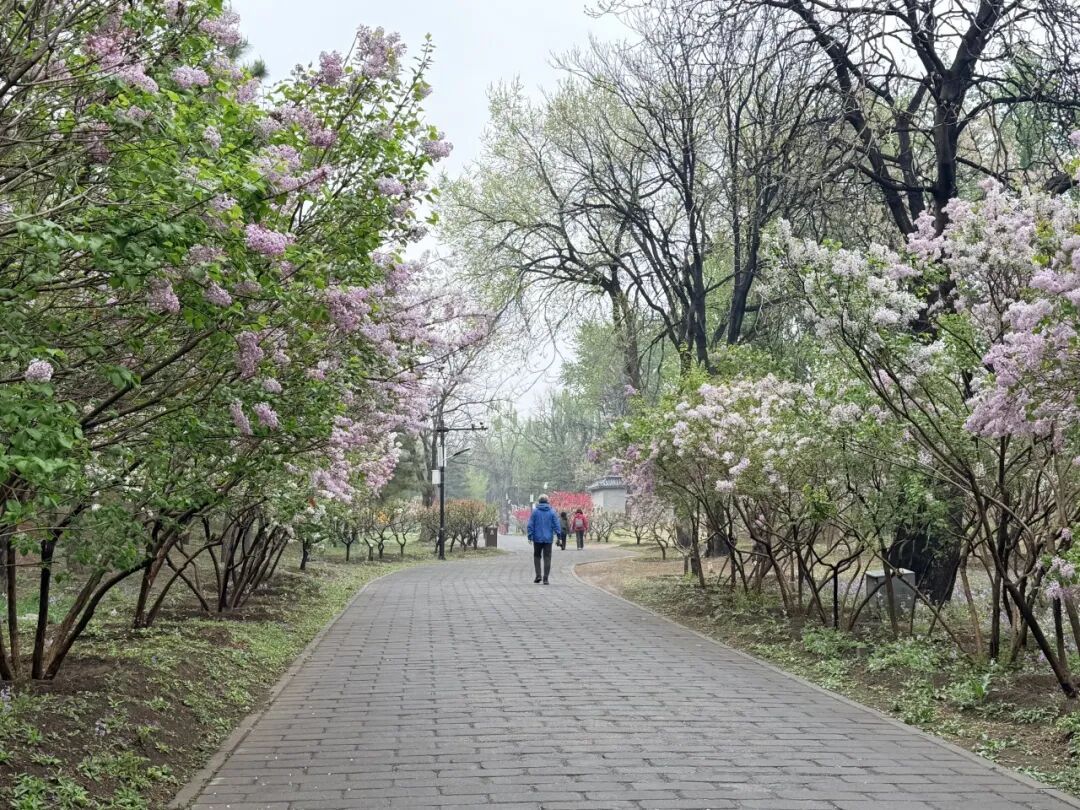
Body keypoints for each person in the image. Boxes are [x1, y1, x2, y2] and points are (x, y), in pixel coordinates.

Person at [526, 494, 561, 584]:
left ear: (539, 501)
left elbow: (530, 524)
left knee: (537, 556)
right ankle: (546, 578)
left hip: (537, 538)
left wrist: (530, 536)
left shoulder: (535, 512)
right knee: (547, 557)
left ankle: (538, 575)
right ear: (547, 501)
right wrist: (559, 536)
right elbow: (556, 525)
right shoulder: (552, 512)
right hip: (548, 538)